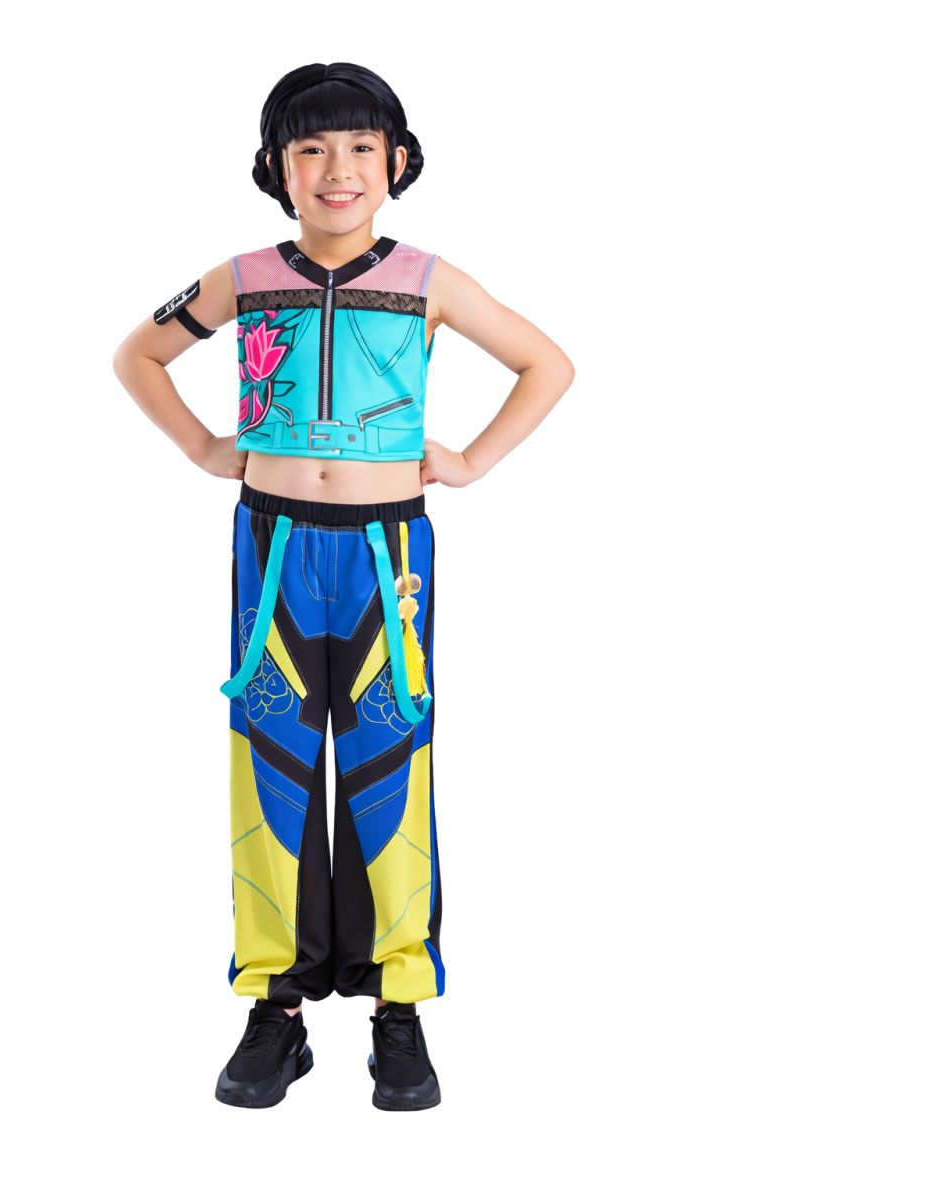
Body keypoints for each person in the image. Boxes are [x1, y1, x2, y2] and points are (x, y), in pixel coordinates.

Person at [113, 62, 574, 1111]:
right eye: (311, 148)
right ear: (276, 168)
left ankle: (397, 1003)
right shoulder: (241, 276)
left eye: (362, 146)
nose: (337, 168)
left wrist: (470, 461)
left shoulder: (427, 279)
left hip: (386, 559)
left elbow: (546, 364)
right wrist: (203, 448)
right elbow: (138, 356)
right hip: (272, 550)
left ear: (396, 162)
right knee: (270, 765)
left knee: (388, 765)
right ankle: (275, 1005)